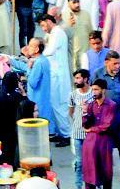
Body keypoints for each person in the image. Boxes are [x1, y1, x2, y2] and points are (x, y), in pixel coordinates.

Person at [91, 51, 120, 187]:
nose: (117, 66)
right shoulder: (98, 74)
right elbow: (92, 94)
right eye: (114, 63)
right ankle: (101, 177)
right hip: (104, 118)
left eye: (118, 63)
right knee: (104, 148)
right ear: (106, 62)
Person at [6, 38, 54, 132]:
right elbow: (26, 66)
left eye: (31, 46)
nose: (28, 48)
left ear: (37, 49)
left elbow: (32, 83)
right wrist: (11, 61)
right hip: (43, 101)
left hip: (37, 101)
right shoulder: (42, 60)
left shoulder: (38, 63)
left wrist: (28, 69)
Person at [38, 14, 72, 145]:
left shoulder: (57, 33)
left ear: (48, 21)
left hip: (58, 75)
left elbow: (49, 51)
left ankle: (66, 134)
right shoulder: (53, 34)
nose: (43, 29)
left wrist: (35, 55)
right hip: (55, 74)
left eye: (43, 25)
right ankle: (60, 132)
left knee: (59, 106)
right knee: (54, 105)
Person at [82, 78, 117, 189]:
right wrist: (85, 112)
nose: (94, 92)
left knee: (106, 171)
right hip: (90, 143)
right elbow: (85, 125)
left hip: (104, 143)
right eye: (92, 90)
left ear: (103, 90)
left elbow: (106, 126)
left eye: (96, 89)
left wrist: (91, 129)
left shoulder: (111, 105)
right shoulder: (91, 105)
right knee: (90, 173)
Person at [68, 69, 94, 189]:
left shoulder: (93, 93)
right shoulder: (73, 95)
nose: (76, 81)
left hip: (91, 134)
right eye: (75, 78)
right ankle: (78, 185)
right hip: (77, 133)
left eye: (78, 78)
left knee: (92, 161)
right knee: (79, 162)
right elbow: (70, 112)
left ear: (85, 79)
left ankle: (93, 183)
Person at [62, 0, 94, 72]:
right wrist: (68, 25)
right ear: (68, 3)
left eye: (78, 2)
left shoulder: (86, 14)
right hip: (71, 53)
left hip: (84, 52)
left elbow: (91, 33)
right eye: (74, 2)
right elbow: (61, 34)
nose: (77, 5)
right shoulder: (64, 15)